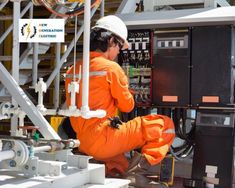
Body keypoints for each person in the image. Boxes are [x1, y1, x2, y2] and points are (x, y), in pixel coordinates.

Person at [65, 15, 175, 186]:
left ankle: (112, 169)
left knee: (119, 164)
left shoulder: (74, 68)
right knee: (164, 126)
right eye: (119, 47)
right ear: (110, 41)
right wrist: (128, 93)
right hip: (104, 139)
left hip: (84, 143)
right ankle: (136, 172)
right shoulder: (111, 68)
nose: (118, 52)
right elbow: (127, 106)